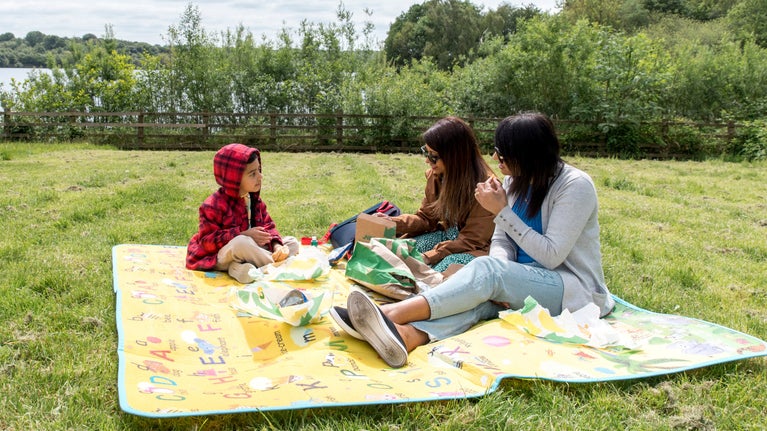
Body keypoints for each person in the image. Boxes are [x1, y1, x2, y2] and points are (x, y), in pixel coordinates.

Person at [335, 112, 615, 368]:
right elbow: (502, 241)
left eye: (502, 154)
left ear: (528, 155)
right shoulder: (513, 183)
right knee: (477, 299)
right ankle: (407, 336)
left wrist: (501, 214)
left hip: (572, 289)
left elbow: (552, 255)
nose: (494, 157)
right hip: (527, 283)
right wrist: (505, 280)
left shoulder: (575, 186)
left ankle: (390, 314)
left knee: (484, 271)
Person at [378, 116, 497, 273]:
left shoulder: (487, 188)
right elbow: (426, 218)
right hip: (447, 236)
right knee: (402, 252)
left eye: (433, 156)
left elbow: (472, 240)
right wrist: (393, 222)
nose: (428, 161)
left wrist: (430, 256)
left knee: (442, 269)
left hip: (475, 248)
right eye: (426, 152)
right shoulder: (437, 176)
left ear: (455, 156)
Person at [186, 143, 299, 283]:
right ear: (234, 178)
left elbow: (268, 226)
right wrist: (241, 234)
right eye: (253, 174)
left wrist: (277, 246)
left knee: (292, 243)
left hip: (251, 251)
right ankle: (280, 268)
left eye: (259, 170)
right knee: (241, 243)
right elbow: (206, 242)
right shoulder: (212, 205)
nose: (260, 176)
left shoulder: (254, 200)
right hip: (220, 255)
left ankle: (240, 270)